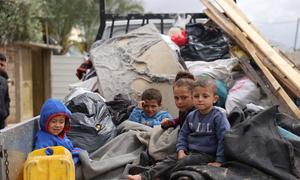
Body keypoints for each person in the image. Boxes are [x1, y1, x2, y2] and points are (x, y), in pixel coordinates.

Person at [128, 75, 230, 180]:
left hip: (207, 154)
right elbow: (183, 134)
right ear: (193, 96)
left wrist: (219, 161)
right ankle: (144, 176)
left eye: (205, 96)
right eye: (196, 96)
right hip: (189, 151)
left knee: (185, 161)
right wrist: (181, 150)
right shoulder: (192, 115)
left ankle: (159, 176)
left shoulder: (218, 116)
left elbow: (224, 138)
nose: (200, 100)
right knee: (170, 159)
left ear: (214, 99)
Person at [34, 98, 82, 165]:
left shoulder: (61, 135)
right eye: (54, 121)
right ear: (45, 122)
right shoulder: (44, 139)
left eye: (61, 122)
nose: (57, 125)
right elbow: (43, 160)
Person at [0, 53, 10, 129]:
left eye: (2, 65)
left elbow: (7, 99)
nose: (1, 67)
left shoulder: (4, 81)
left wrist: (5, 113)